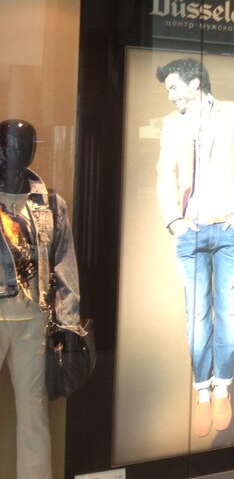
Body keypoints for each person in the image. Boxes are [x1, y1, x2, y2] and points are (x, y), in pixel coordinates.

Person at [155, 58, 234, 437]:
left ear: (195, 83)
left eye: (174, 87)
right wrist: (173, 219)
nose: (170, 95)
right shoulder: (172, 123)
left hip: (229, 228)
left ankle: (222, 388)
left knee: (227, 311)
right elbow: (164, 172)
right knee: (197, 315)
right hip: (191, 231)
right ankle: (201, 389)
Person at [0, 119, 84, 479]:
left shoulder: (50, 203)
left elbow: (65, 265)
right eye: (13, 144)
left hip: (34, 321)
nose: (21, 151)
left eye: (27, 144)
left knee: (34, 413)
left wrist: (69, 322)